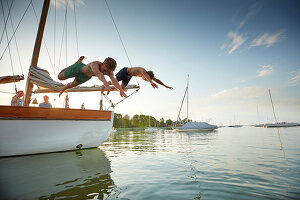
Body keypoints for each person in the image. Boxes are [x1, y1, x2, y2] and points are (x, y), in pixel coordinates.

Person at [57, 56, 127, 98]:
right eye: (104, 70)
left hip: (85, 77)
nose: (105, 73)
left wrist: (121, 90)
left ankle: (63, 89)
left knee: (73, 85)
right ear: (102, 64)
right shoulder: (95, 64)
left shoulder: (110, 71)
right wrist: (106, 84)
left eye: (108, 72)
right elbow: (99, 74)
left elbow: (114, 81)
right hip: (77, 69)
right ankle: (77, 63)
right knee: (59, 77)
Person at [104, 67, 173, 93]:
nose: (144, 80)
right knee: (115, 82)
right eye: (145, 79)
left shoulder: (147, 75)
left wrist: (166, 86)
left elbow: (157, 80)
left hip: (129, 76)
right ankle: (108, 83)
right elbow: (145, 74)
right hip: (124, 71)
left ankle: (109, 88)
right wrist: (151, 82)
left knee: (121, 89)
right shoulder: (142, 70)